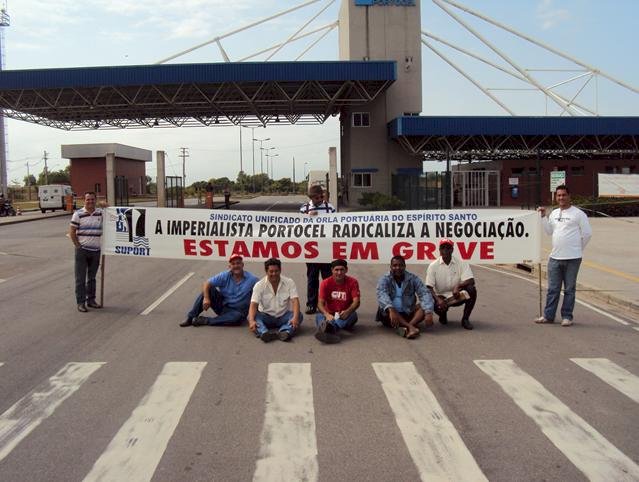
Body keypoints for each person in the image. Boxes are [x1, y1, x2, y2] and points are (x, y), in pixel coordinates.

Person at [535, 185, 592, 326]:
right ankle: (548, 316)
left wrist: (578, 249)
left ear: (569, 196)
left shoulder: (578, 214)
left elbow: (587, 233)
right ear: (556, 197)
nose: (561, 198)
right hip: (555, 257)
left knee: (569, 289)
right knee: (553, 289)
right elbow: (549, 231)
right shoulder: (554, 213)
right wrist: (543, 217)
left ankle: (567, 316)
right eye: (559, 195)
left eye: (564, 195)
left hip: (573, 258)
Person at [180, 253, 258, 327]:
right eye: (233, 264)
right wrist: (206, 298)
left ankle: (206, 320)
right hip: (222, 306)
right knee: (209, 289)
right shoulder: (224, 275)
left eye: (238, 263)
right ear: (229, 266)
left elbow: (261, 290)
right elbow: (206, 283)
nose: (236, 266)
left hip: (238, 311)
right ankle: (190, 317)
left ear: (242, 265)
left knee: (237, 318)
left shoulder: (252, 279)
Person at [375, 255, 434, 339]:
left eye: (401, 265)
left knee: (424, 305)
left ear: (405, 266)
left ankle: (407, 327)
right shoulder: (385, 279)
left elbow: (424, 293)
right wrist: (390, 309)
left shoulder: (412, 278)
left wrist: (428, 312)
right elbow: (381, 294)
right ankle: (411, 327)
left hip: (407, 312)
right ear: (390, 266)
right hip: (390, 315)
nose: (398, 268)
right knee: (385, 307)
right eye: (395, 265)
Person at [426, 238, 477, 330]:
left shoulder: (461, 263)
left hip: (457, 296)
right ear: (439, 250)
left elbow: (471, 280)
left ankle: (465, 319)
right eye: (442, 248)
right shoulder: (433, 266)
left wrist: (458, 286)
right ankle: (442, 315)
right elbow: (429, 287)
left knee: (471, 289)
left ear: (452, 250)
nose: (445, 250)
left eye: (448, 248)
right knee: (434, 302)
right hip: (441, 297)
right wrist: (438, 299)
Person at [248, 258, 303, 342]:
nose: (274, 274)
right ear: (266, 271)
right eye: (271, 271)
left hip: (283, 316)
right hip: (265, 317)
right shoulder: (259, 285)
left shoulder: (289, 282)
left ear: (280, 270)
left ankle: (284, 332)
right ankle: (264, 333)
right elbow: (254, 304)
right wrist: (251, 321)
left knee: (298, 315)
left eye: (276, 271)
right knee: (251, 317)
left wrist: (295, 318)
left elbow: (295, 301)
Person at [300, 184, 335, 314]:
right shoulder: (305, 208)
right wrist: (308, 217)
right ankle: (311, 303)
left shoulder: (329, 208)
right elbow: (299, 227)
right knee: (312, 277)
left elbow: (337, 225)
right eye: (316, 197)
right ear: (311, 197)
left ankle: (327, 303)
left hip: (326, 247)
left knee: (327, 277)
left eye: (320, 196)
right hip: (311, 248)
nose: (319, 199)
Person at [69, 192, 103, 312]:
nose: (90, 202)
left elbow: (112, 212)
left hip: (95, 251)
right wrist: (78, 246)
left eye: (92, 199)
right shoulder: (78, 214)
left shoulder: (100, 213)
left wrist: (106, 205)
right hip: (82, 251)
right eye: (88, 199)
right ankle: (81, 302)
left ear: (95, 200)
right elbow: (72, 232)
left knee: (92, 278)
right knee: (80, 278)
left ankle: (91, 300)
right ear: (84, 200)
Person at [315, 259, 361, 344]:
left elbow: (356, 302)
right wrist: (326, 314)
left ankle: (327, 329)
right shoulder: (325, 283)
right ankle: (330, 329)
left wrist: (347, 312)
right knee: (319, 315)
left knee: (353, 315)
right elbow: (320, 303)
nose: (339, 272)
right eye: (336, 270)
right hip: (329, 314)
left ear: (346, 270)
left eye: (341, 269)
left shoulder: (353, 282)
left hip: (343, 314)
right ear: (332, 270)